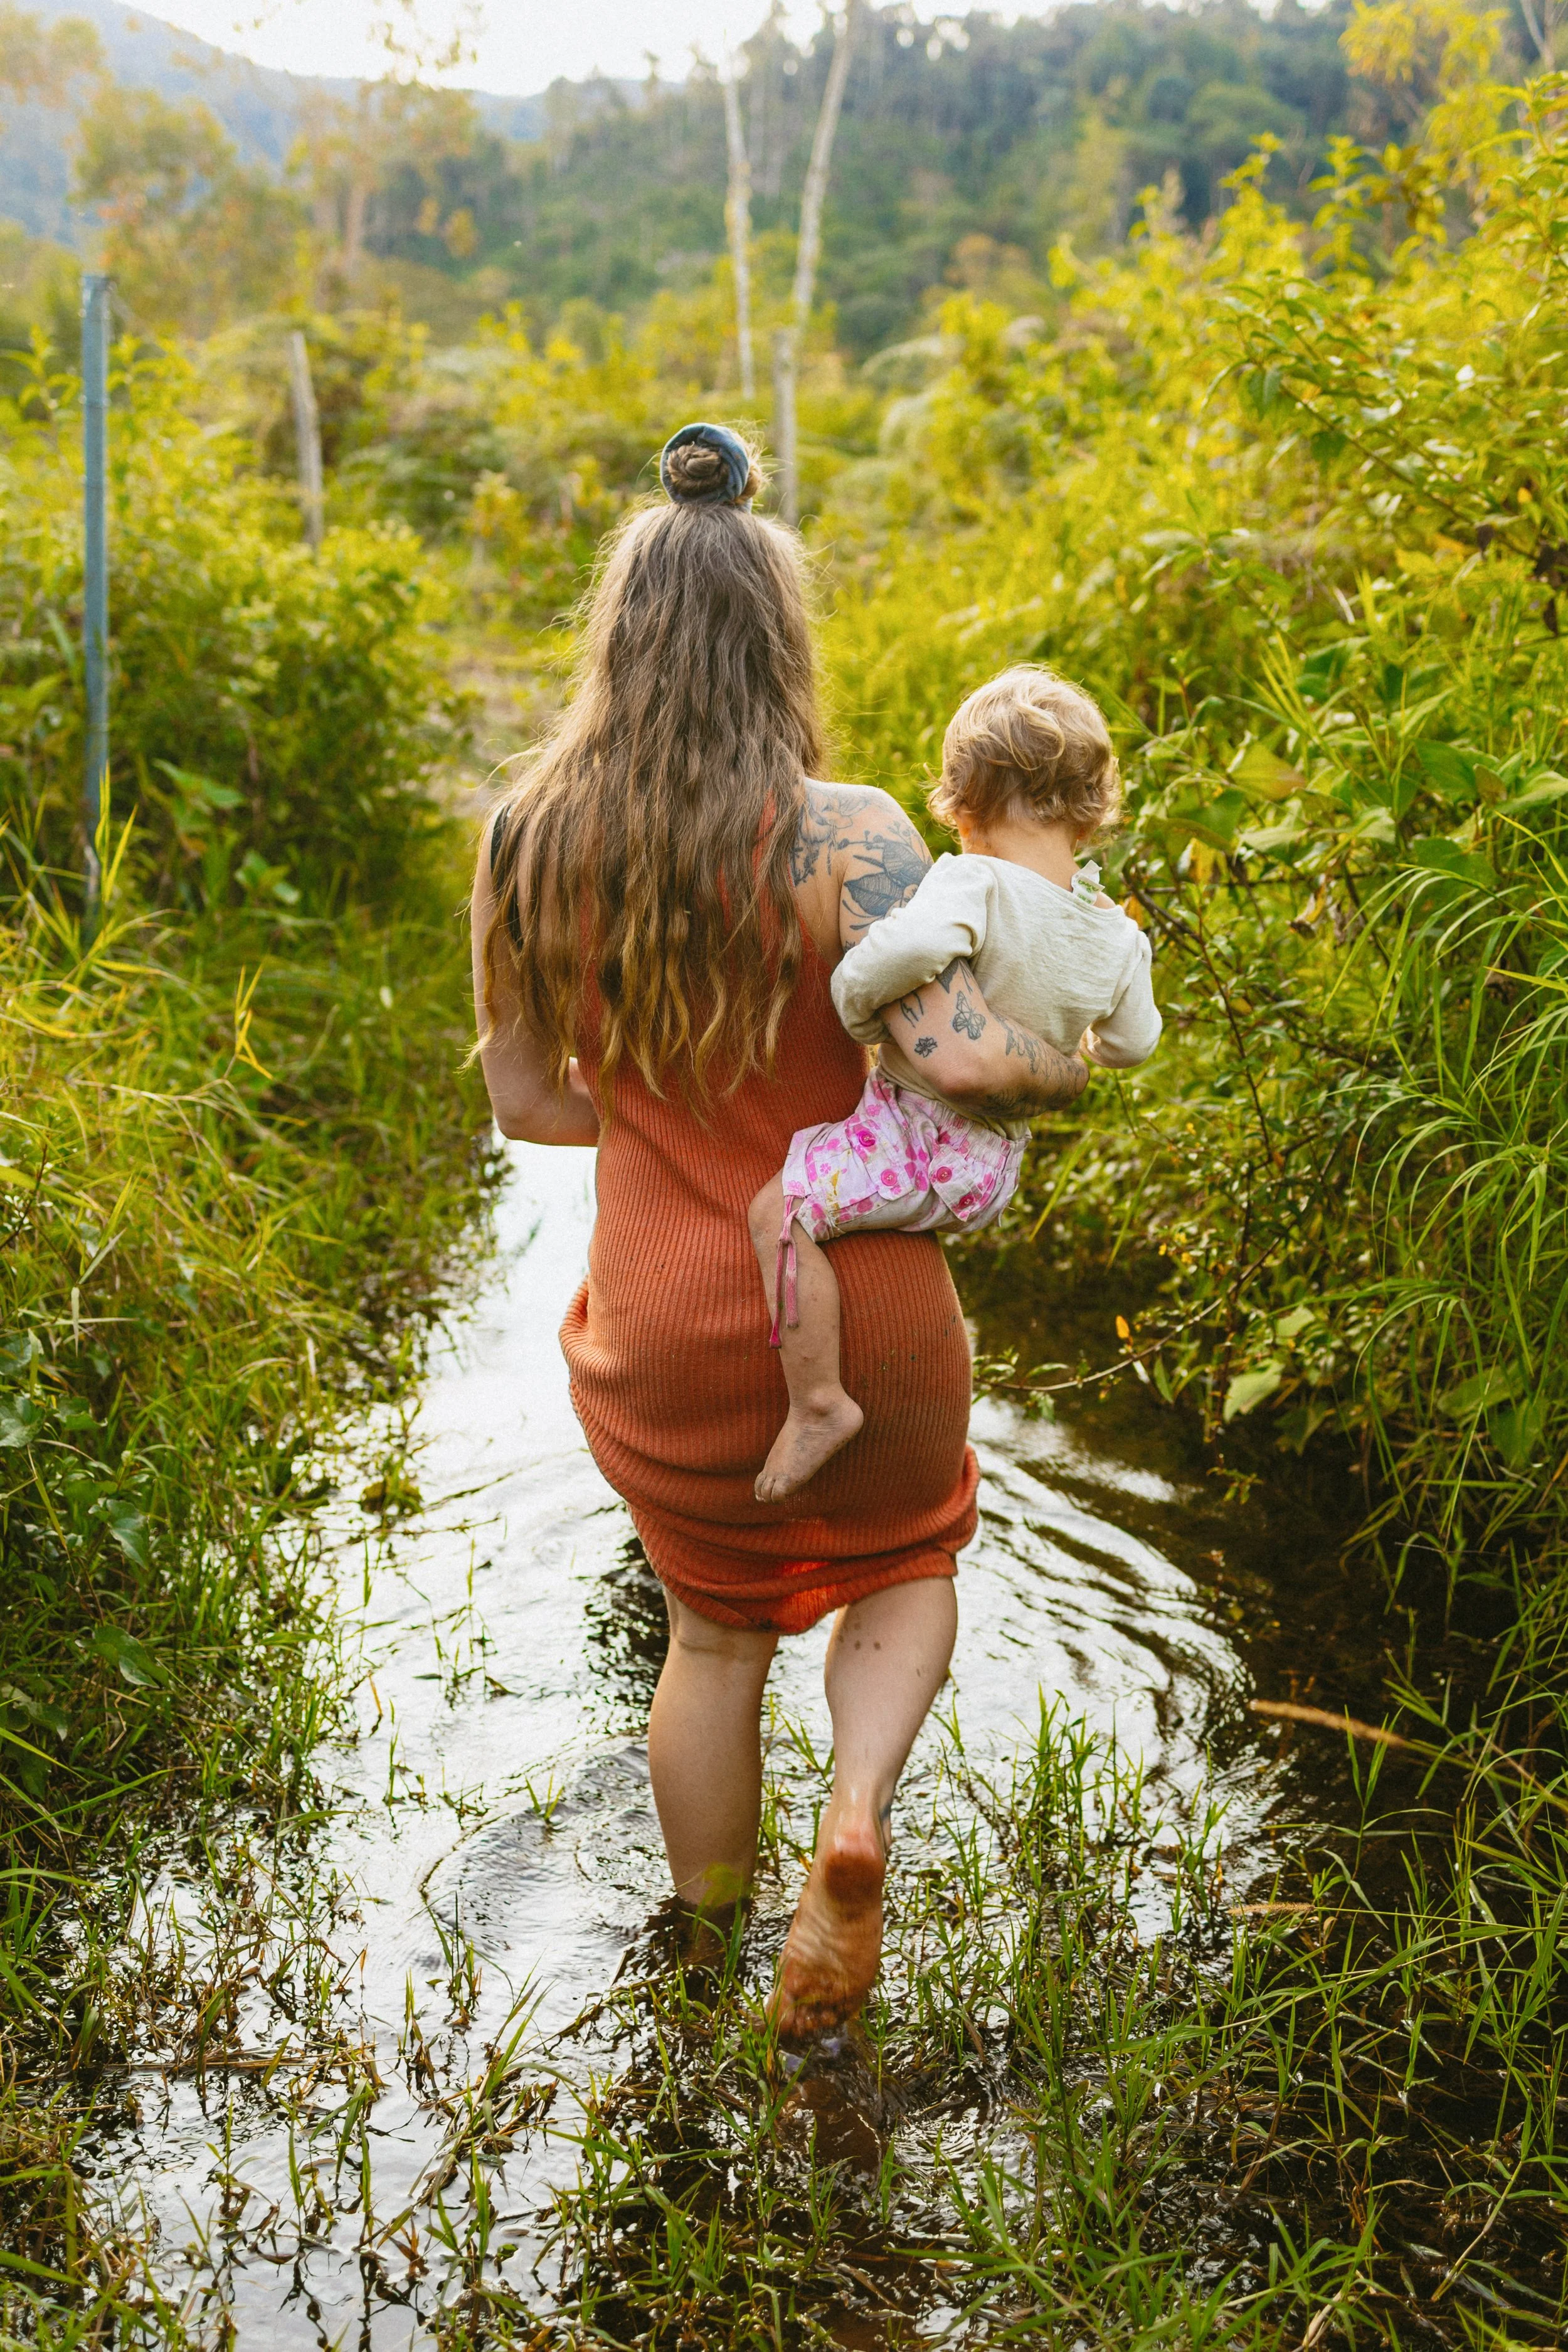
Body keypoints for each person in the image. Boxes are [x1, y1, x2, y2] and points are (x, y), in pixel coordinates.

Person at [471, 421, 1088, 2043]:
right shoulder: (859, 835)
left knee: (711, 1634)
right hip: (865, 1299)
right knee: (904, 1565)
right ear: (776, 642)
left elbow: (530, 1104)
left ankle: (702, 1949)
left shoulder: (524, 838)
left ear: (618, 639)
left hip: (670, 1318)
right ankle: (858, 1813)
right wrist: (1063, 1063)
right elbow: (956, 1062)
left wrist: (670, 1115)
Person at [750, 665, 1162, 1503]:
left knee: (778, 1212)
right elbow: (1130, 1045)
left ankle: (820, 1400)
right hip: (995, 1169)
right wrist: (1072, 1037)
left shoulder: (970, 881)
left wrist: (857, 1003)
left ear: (963, 808)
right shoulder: (1119, 937)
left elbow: (901, 955)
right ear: (1092, 808)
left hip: (920, 1133)